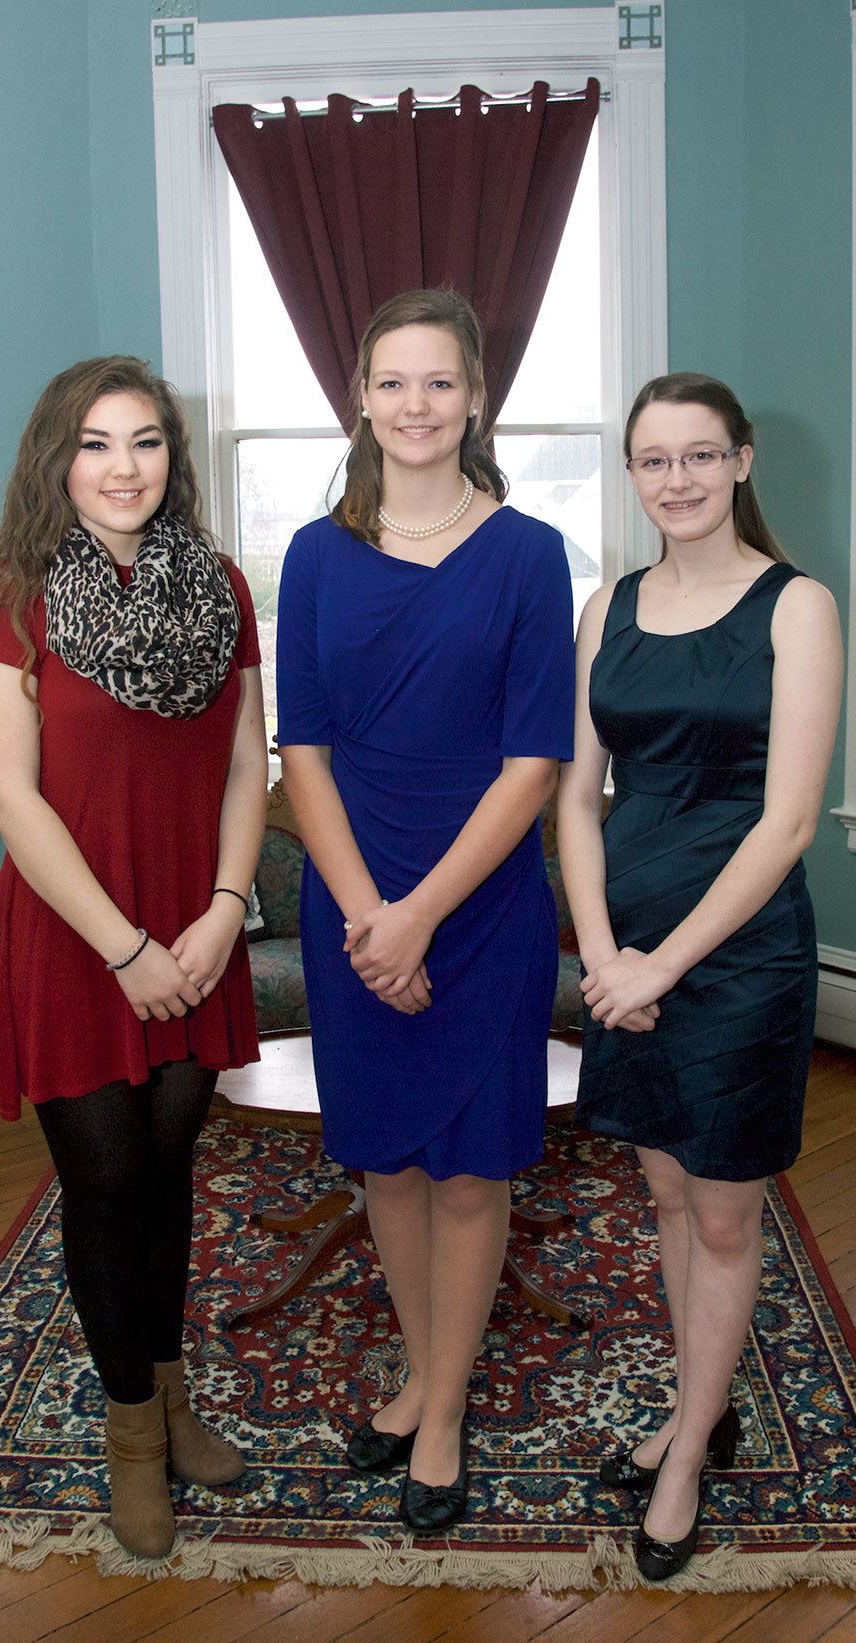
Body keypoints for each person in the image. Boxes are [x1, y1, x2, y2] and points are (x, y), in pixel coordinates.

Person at [275, 290, 574, 1533]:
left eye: (439, 381)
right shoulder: (311, 553)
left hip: (482, 907)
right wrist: (368, 917)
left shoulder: (529, 553)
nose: (415, 404)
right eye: (391, 381)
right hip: (350, 902)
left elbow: (533, 765)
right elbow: (300, 752)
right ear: (359, 397)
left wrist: (417, 919)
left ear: (476, 397)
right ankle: (417, 1365)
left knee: (466, 1173)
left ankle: (441, 1408)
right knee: (387, 1165)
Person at [0, 356, 266, 1560]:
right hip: (78, 936)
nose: (124, 466)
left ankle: (171, 1393)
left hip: (196, 930)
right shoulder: (14, 597)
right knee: (103, 1179)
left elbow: (245, 764)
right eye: (95, 443)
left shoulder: (221, 586)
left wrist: (226, 910)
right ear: (57, 458)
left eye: (145, 441)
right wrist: (127, 947)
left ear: (171, 458)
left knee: (166, 1168)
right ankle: (131, 1431)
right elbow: (10, 796)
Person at [557, 373, 842, 1581]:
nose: (674, 479)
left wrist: (659, 965)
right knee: (666, 1194)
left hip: (738, 957)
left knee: (723, 1212)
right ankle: (699, 1403)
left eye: (697, 454)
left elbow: (786, 823)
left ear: (739, 460)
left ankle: (685, 1452)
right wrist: (598, 952)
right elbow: (575, 797)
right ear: (631, 473)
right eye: (652, 459)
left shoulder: (797, 607)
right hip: (622, 948)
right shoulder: (607, 605)